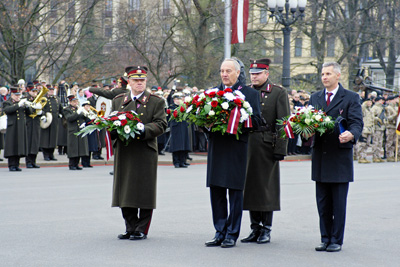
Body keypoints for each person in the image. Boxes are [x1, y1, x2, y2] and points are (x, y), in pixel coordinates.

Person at [205, 58, 262, 248]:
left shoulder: (250, 93)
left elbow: (258, 121)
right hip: (217, 147)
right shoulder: (213, 93)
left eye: (228, 71)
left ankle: (232, 233)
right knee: (216, 190)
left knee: (235, 193)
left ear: (238, 73)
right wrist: (207, 124)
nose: (224, 74)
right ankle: (219, 231)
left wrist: (239, 121)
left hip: (237, 147)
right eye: (222, 70)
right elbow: (201, 119)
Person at [308, 62, 363, 252]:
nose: (324, 77)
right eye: (323, 74)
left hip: (339, 157)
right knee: (323, 203)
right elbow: (306, 122)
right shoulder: (315, 97)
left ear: (338, 76)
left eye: (328, 74)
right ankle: (325, 238)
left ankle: (336, 240)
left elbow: (356, 123)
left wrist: (351, 134)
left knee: (338, 203)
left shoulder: (350, 97)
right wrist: (304, 132)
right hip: (321, 157)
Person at [111, 65, 167, 241]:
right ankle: (130, 226)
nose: (139, 83)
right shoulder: (119, 100)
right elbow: (111, 123)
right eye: (135, 80)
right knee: (124, 189)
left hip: (144, 150)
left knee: (144, 191)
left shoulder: (156, 101)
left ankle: (141, 228)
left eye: (142, 80)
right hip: (125, 151)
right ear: (129, 81)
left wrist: (144, 129)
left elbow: (162, 124)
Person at [241, 58, 290, 244]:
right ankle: (255, 228)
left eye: (258, 74)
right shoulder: (244, 92)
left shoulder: (277, 92)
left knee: (266, 187)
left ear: (266, 74)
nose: (254, 77)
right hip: (248, 143)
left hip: (266, 143)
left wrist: (280, 148)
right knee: (250, 187)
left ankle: (266, 228)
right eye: (252, 74)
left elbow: (283, 122)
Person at [2, 87, 31, 171]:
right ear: (12, 95)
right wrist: (18, 105)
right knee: (12, 146)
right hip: (12, 127)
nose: (18, 97)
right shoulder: (7, 103)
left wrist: (27, 106)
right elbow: (7, 110)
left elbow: (29, 112)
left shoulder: (21, 103)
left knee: (19, 146)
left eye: (19, 95)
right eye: (16, 95)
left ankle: (17, 164)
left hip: (21, 127)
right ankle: (11, 165)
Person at [63, 95, 89, 170]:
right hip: (73, 131)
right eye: (74, 101)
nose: (76, 103)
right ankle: (72, 164)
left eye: (76, 101)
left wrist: (86, 116)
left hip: (79, 130)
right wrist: (77, 112)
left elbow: (84, 117)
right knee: (73, 148)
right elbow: (69, 118)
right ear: (70, 102)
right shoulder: (67, 109)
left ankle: (77, 164)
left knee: (79, 148)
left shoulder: (79, 109)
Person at [40, 85, 63, 161]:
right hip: (47, 120)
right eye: (50, 90)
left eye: (52, 90)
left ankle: (51, 154)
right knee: (46, 138)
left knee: (53, 138)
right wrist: (43, 115)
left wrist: (63, 114)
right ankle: (46, 154)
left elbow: (60, 108)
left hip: (55, 120)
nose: (51, 91)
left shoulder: (57, 99)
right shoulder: (43, 99)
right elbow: (40, 108)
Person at [168, 92, 191, 168]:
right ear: (174, 100)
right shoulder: (172, 107)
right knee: (176, 145)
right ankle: (176, 161)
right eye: (176, 99)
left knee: (183, 144)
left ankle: (182, 161)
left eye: (179, 99)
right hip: (176, 128)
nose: (178, 100)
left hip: (183, 127)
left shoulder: (184, 107)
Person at [25, 86, 44, 168]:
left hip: (36, 123)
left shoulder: (38, 100)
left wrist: (41, 112)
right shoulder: (26, 100)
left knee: (35, 142)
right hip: (28, 123)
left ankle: (33, 161)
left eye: (36, 91)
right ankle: (28, 161)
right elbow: (25, 111)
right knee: (29, 142)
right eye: (33, 91)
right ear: (29, 92)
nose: (35, 93)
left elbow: (43, 109)